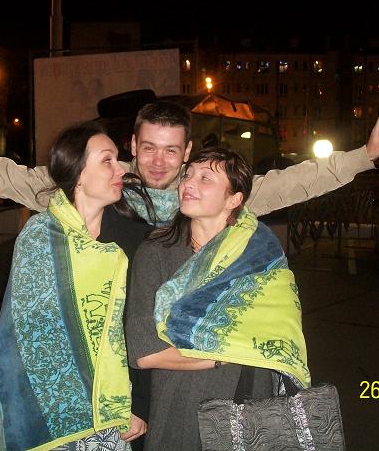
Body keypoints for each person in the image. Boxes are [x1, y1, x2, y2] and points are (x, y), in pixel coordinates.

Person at [0, 121, 150, 450]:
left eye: (117, 159)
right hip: (47, 403)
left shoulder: (133, 237)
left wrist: (140, 402)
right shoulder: (38, 236)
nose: (121, 168)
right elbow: (21, 333)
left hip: (112, 408)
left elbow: (141, 324)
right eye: (107, 160)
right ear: (78, 172)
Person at [0, 99, 379, 225]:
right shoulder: (99, 184)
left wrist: (363, 156)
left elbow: (288, 184)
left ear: (188, 152)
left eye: (172, 149)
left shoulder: (207, 193)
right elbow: (7, 176)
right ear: (132, 143)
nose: (159, 161)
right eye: (149, 146)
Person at [125, 146, 309, 450]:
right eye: (188, 175)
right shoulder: (156, 252)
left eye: (205, 178)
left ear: (234, 199)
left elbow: (282, 331)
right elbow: (145, 352)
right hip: (185, 406)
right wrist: (222, 354)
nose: (188, 183)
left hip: (255, 399)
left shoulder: (259, 252)